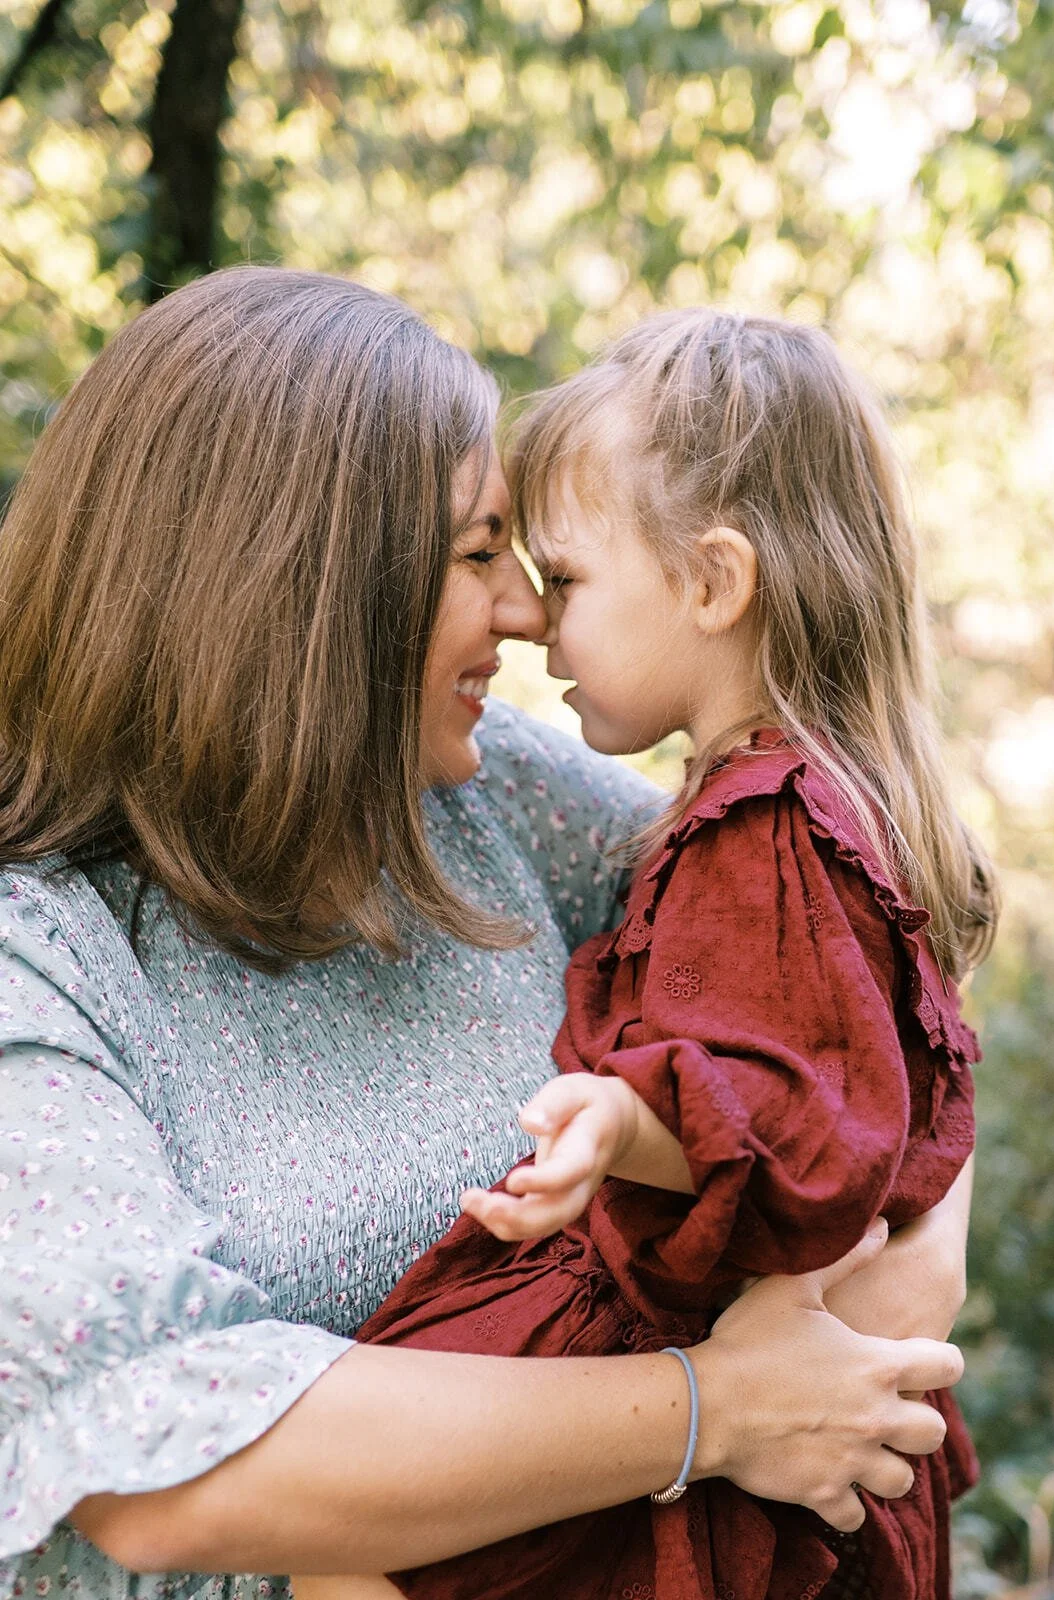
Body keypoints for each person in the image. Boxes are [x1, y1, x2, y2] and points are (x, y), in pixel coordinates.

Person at [0, 268, 970, 1600]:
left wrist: (906, 1273)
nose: (523, 611)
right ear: (304, 592)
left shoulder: (475, 792)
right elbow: (167, 1466)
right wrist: (716, 1408)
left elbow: (854, 969)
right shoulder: (36, 957)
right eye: (475, 556)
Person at [301, 310, 996, 1600]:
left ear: (712, 583)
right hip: (761, 1374)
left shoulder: (764, 833)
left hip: (712, 1371)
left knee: (352, 1562)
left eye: (565, 580)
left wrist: (624, 1121)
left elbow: (799, 1127)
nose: (535, 625)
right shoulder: (804, 811)